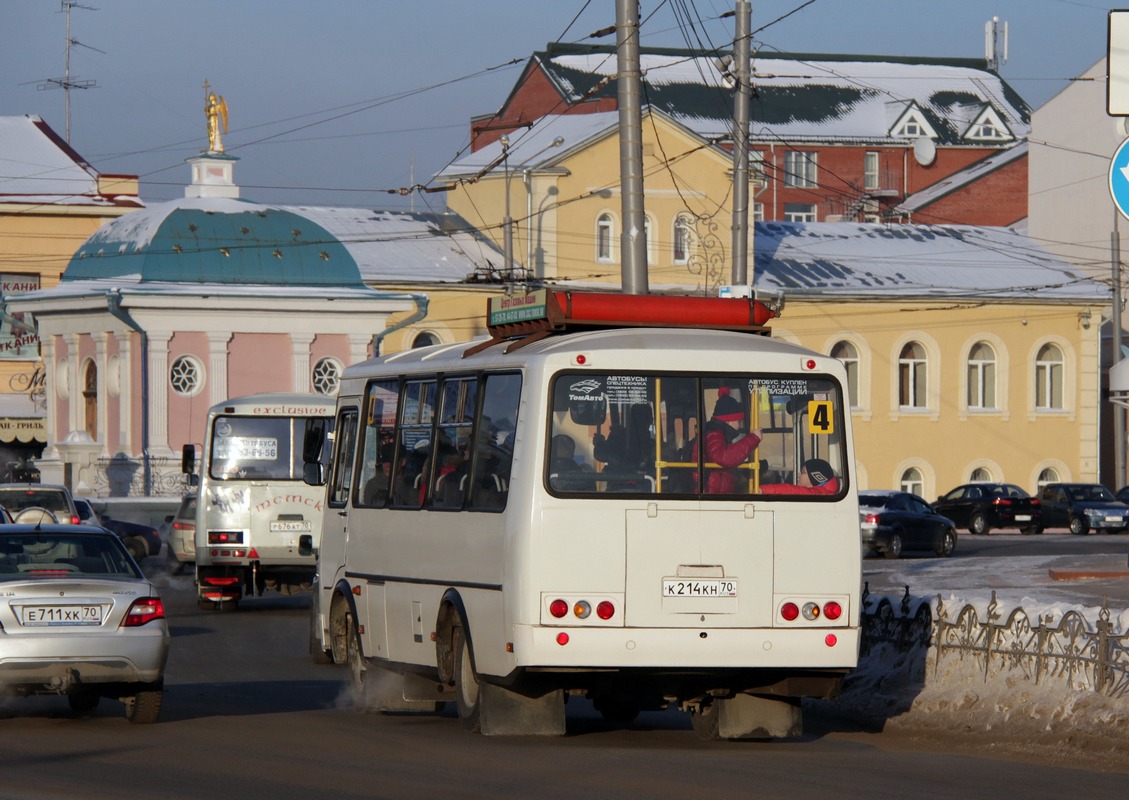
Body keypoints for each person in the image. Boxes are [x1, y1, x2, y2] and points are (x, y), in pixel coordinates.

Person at [698, 387, 761, 494]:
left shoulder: (718, 433)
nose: (739, 425)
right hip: (711, 493)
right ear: (729, 421)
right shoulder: (714, 433)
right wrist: (753, 438)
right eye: (738, 421)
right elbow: (723, 457)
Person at [761, 458, 840, 495]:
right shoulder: (826, 492)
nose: (799, 474)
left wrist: (762, 490)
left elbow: (793, 491)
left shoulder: (822, 493)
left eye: (803, 472)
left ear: (816, 477)